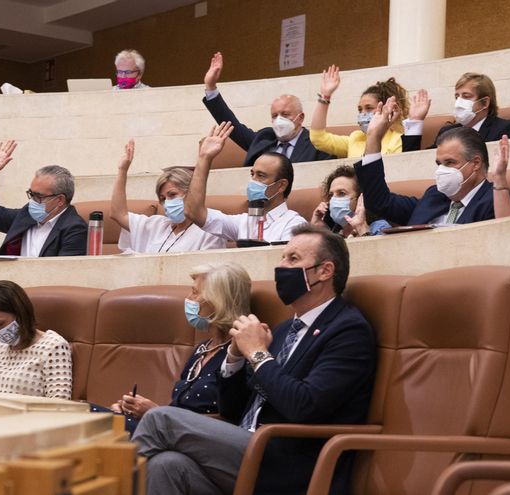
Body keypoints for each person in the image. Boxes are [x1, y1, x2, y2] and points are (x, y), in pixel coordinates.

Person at [132, 224, 377, 495]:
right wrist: (235, 358)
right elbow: (233, 410)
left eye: (293, 259)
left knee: (160, 420)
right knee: (167, 466)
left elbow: (305, 406)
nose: (281, 266)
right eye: (283, 257)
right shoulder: (285, 329)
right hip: (249, 446)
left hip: (291, 466)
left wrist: (258, 355)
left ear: (325, 271)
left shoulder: (347, 331)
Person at [110, 261, 252, 432]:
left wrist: (155, 412)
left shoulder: (239, 352)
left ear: (218, 301)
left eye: (195, 293)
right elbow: (180, 409)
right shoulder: (202, 349)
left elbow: (231, 418)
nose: (188, 299)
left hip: (197, 438)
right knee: (101, 417)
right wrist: (135, 411)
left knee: (97, 421)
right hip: (168, 431)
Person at [356, 97, 510, 226]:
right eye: (439, 163)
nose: (442, 170)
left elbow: (506, 237)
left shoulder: (495, 202)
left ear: (476, 164)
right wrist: (373, 137)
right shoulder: (434, 196)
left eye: (450, 163)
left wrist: (500, 181)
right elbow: (378, 202)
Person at [202, 52, 335, 167]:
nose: (279, 119)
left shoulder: (317, 144)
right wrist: (210, 87)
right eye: (274, 115)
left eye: (285, 114)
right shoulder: (263, 139)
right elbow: (233, 126)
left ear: (300, 118)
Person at [184, 122, 308, 243]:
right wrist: (204, 158)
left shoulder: (294, 225)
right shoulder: (244, 222)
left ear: (281, 185)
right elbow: (194, 212)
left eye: (261, 175)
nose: (253, 181)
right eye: (252, 174)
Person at [0, 140, 87, 256]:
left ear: (60, 200)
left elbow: (65, 272)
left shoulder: (75, 229)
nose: (32, 201)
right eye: (31, 194)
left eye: (38, 196)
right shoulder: (26, 215)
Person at [110, 140, 225, 253]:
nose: (167, 203)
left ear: (191, 193)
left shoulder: (210, 229)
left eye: (172, 195)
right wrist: (122, 170)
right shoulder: (157, 225)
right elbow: (118, 214)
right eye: (163, 198)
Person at [309, 65, 425, 156]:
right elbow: (318, 138)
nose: (363, 113)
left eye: (369, 108)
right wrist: (325, 96)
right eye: (360, 110)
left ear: (386, 109)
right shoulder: (355, 138)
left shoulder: (397, 139)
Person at [403, 72, 510, 149]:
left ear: (485, 103)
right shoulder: (447, 132)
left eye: (466, 96)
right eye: (457, 96)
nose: (459, 102)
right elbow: (414, 162)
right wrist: (415, 121)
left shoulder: (505, 129)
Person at [310, 164, 392, 237]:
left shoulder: (380, 227)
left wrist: (362, 229)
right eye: (331, 195)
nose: (333, 200)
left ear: (361, 197)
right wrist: (316, 231)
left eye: (341, 193)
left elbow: (380, 254)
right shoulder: (334, 230)